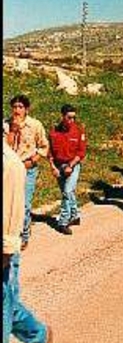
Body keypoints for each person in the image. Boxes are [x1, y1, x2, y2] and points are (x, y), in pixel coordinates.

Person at [3, 140, 55, 343]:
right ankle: (40, 335)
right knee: (10, 312)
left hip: (1, 258)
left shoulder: (8, 165)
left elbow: (7, 244)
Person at [5, 95, 49, 249]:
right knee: (9, 202)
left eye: (20, 107)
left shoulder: (35, 125)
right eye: (15, 107)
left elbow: (44, 146)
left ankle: (23, 234)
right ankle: (10, 232)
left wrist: (33, 160)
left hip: (27, 168)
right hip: (10, 170)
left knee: (24, 203)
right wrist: (13, 130)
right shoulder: (6, 125)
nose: (17, 110)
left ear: (26, 109)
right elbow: (6, 147)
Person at [48, 104, 87, 234]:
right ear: (63, 116)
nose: (72, 121)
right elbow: (50, 153)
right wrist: (53, 167)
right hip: (59, 166)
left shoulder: (79, 131)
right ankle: (75, 215)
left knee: (67, 191)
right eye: (69, 117)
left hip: (73, 165)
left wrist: (70, 166)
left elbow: (81, 152)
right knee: (67, 193)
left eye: (74, 118)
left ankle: (63, 222)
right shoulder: (54, 132)